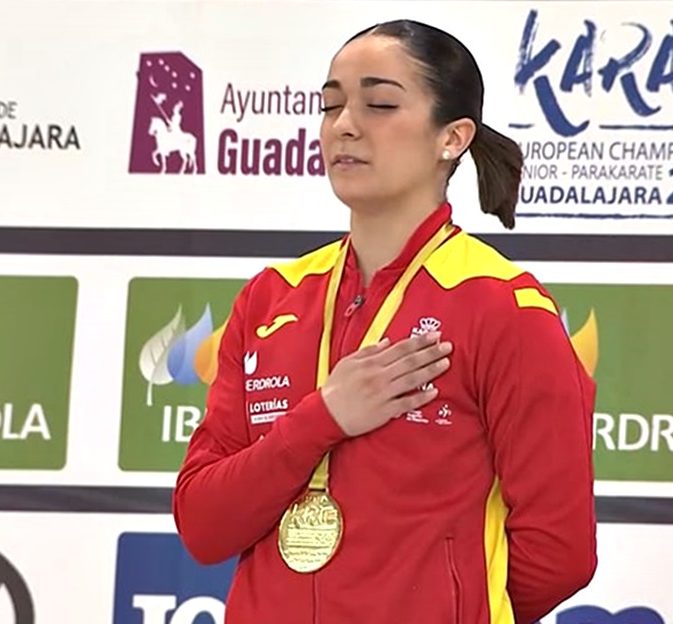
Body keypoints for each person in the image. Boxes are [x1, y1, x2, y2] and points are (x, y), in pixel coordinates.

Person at [173, 18, 597, 624]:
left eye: (378, 104)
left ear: (451, 138)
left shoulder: (503, 307)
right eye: (331, 105)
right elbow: (205, 526)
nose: (345, 125)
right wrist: (322, 419)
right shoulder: (271, 299)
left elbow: (560, 554)